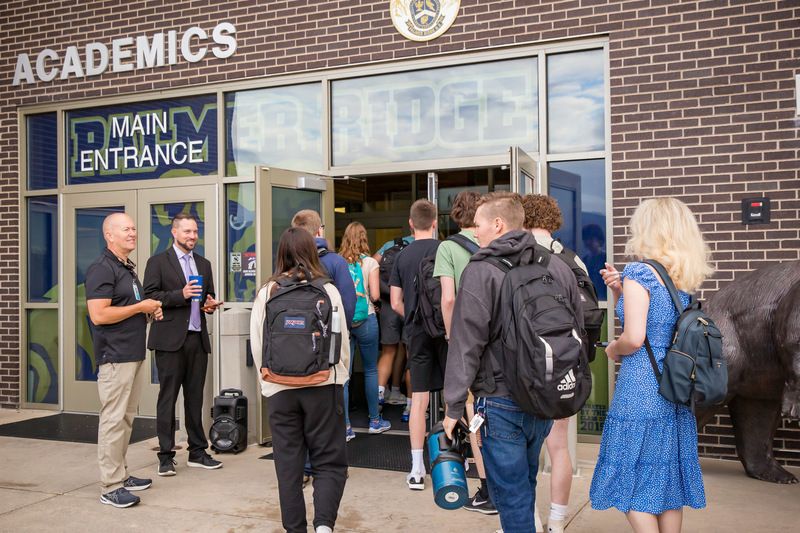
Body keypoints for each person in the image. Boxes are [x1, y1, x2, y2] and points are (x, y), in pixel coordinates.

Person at [442, 192, 582, 533]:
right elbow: (577, 327)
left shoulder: (481, 271)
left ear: (498, 224)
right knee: (525, 485)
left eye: (478, 225)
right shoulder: (557, 266)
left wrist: (452, 405)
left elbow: (465, 343)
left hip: (501, 400)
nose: (474, 233)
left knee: (512, 497)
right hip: (543, 400)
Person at [590, 198, 710, 532]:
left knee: (630, 484)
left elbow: (634, 338)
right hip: (674, 387)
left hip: (641, 386)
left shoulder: (640, 272)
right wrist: (618, 290)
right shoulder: (681, 277)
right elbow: (655, 320)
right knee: (664, 483)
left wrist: (613, 349)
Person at [250, 227, 351, 533]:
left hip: (279, 389)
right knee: (329, 461)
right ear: (311, 251)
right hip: (323, 387)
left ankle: (295, 529)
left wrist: (269, 382)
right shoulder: (328, 290)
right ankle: (323, 526)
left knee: (288, 466)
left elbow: (257, 343)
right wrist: (338, 379)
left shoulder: (267, 292)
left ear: (280, 253)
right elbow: (341, 342)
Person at [85, 213, 163, 508]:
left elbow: (125, 307)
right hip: (114, 356)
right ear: (109, 235)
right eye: (126, 229)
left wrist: (146, 311)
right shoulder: (101, 269)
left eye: (134, 228)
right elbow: (99, 315)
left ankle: (121, 473)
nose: (133, 233)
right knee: (113, 421)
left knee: (126, 419)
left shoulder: (126, 268)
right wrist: (139, 306)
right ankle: (110, 486)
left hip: (132, 353)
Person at [522, 194, 589, 533]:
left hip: (528, 365)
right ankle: (558, 522)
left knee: (527, 447)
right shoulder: (573, 260)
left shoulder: (518, 257)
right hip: (565, 363)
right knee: (559, 446)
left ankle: (529, 520)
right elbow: (583, 319)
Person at [143, 213, 223, 476]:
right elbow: (151, 296)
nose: (192, 236)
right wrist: (181, 295)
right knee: (168, 399)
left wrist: (209, 305)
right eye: (187, 231)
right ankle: (165, 456)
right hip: (169, 341)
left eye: (195, 231)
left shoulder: (204, 263)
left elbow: (205, 297)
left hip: (197, 340)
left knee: (195, 399)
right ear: (174, 233)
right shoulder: (157, 262)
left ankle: (198, 452)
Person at [432, 189, 497, 515]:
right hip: (497, 343)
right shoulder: (495, 242)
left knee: (472, 415)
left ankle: (487, 490)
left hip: (468, 339)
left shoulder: (448, 247)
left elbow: (448, 299)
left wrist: (451, 335)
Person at [389, 199, 447, 490]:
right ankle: (454, 457)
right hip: (446, 332)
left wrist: (415, 315)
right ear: (435, 222)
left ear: (411, 223)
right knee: (456, 396)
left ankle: (416, 469)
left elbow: (395, 302)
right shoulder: (445, 250)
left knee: (419, 401)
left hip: (416, 333)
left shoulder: (400, 256)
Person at [292, 209, 357, 440]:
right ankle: (339, 435)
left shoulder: (287, 262)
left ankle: (305, 465)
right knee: (333, 393)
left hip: (293, 347)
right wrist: (341, 334)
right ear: (319, 230)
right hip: (328, 344)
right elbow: (348, 302)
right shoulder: (336, 261)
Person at [339, 221, 390, 435]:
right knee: (370, 370)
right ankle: (375, 422)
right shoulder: (370, 262)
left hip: (344, 320)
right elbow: (376, 295)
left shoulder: (338, 262)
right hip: (367, 317)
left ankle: (346, 427)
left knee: (344, 374)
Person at [374, 232, 414, 418]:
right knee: (411, 355)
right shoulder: (424, 245)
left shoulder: (392, 243)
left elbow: (374, 264)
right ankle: (410, 407)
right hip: (411, 306)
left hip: (389, 305)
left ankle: (379, 399)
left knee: (388, 353)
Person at [582, 222, 607, 301]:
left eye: (591, 239)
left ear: (599, 240)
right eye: (586, 239)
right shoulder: (585, 260)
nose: (588, 242)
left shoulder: (605, 258)